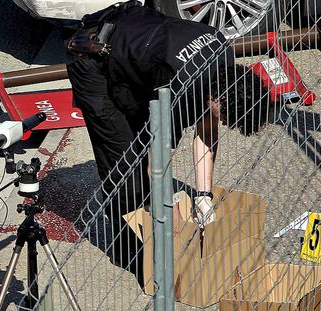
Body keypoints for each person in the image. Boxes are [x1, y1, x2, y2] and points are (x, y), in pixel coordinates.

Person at [66, 0, 270, 282]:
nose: (223, 124)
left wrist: (203, 196)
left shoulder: (223, 57)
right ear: (219, 99)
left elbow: (207, 129)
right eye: (226, 118)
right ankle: (130, 251)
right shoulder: (179, 90)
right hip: (94, 60)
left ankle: (148, 222)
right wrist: (172, 225)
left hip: (137, 52)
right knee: (124, 169)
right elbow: (157, 166)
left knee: (142, 143)